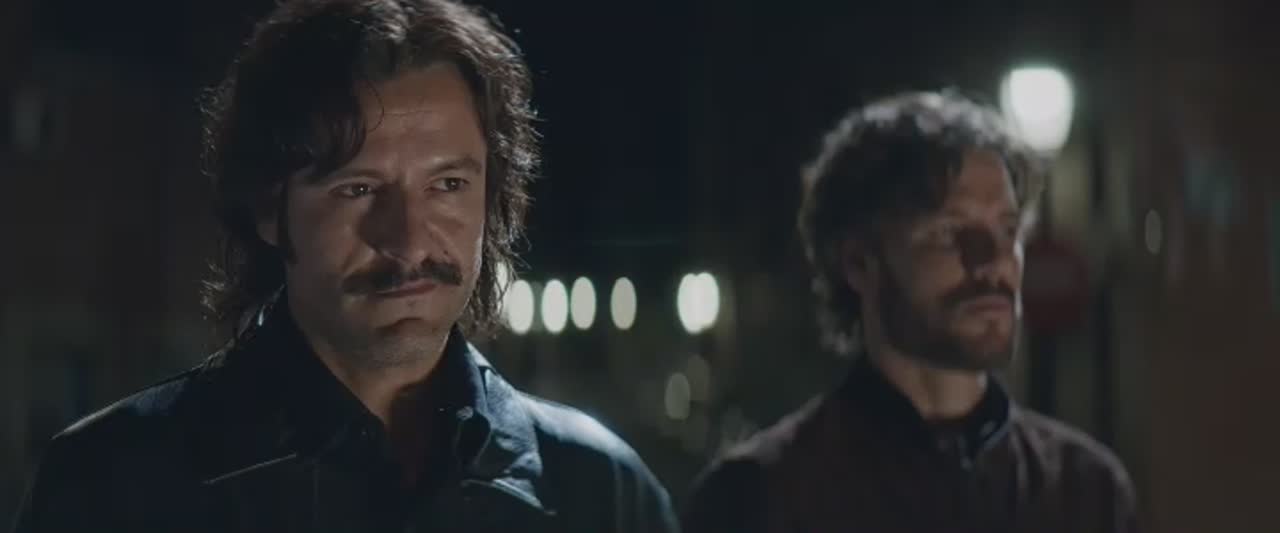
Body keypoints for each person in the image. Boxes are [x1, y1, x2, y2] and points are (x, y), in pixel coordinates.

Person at [13, 1, 676, 532]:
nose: (408, 239)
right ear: (269, 207)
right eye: (357, 188)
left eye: (448, 185)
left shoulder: (601, 490)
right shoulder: (116, 485)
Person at [682, 90, 1138, 533]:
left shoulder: (1085, 492)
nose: (992, 260)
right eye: (948, 232)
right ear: (859, 263)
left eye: (1007, 229)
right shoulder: (763, 497)